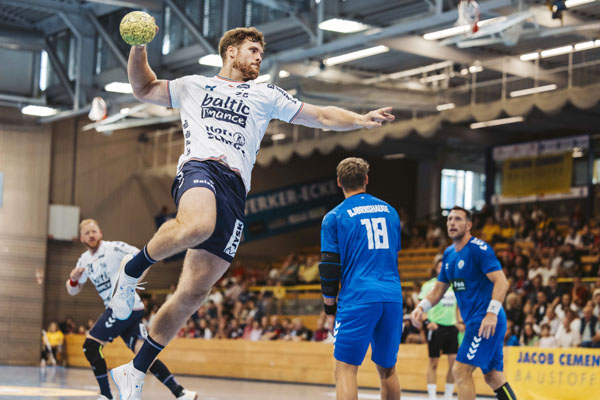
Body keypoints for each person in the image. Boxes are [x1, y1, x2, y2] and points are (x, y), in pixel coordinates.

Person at [109, 25, 395, 399]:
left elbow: (321, 116)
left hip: (235, 190)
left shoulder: (266, 94)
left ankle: (135, 369)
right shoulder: (194, 85)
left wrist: (358, 119)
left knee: (193, 294)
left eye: (261, 51)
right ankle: (130, 273)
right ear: (230, 52)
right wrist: (138, 47)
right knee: (197, 224)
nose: (259, 57)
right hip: (202, 167)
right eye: (253, 50)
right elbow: (143, 88)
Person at [68, 219, 196, 400]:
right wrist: (73, 279)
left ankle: (105, 395)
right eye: (87, 233)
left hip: (124, 306)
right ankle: (180, 392)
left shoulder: (113, 248)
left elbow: (141, 257)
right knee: (143, 352)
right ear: (81, 238)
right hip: (123, 311)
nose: (91, 235)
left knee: (91, 346)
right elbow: (73, 290)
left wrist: (131, 285)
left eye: (94, 231)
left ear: (100, 232)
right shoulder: (83, 260)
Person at [411, 207, 517, 400]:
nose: (452, 223)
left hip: (485, 321)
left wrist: (491, 314)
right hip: (477, 323)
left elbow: (502, 282)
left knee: (460, 370)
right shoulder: (449, 254)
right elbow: (438, 290)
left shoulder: (479, 250)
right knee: (493, 376)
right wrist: (421, 307)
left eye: (458, 219)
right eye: (449, 219)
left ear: (469, 225)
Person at [319, 157, 402, 400]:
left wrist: (329, 307)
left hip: (358, 297)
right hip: (392, 296)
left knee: (345, 369)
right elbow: (392, 255)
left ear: (338, 182)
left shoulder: (335, 217)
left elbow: (329, 267)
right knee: (388, 370)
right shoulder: (391, 212)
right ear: (366, 180)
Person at [418, 255, 460, 400]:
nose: (442, 268)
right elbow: (420, 307)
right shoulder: (429, 285)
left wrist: (459, 321)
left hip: (451, 327)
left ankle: (448, 396)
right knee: (433, 362)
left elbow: (458, 306)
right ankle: (432, 396)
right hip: (436, 328)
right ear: (435, 268)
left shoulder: (454, 285)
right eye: (439, 266)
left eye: (444, 266)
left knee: (454, 363)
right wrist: (427, 323)